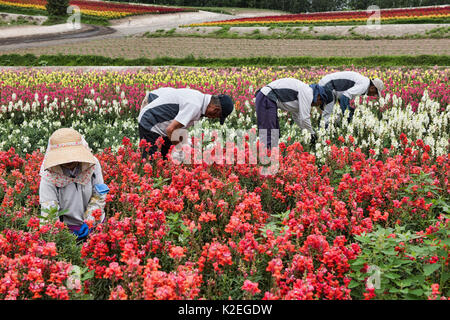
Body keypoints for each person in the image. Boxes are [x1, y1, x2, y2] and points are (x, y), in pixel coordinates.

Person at [39, 128, 109, 241]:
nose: (69, 161)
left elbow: (99, 195)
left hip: (94, 224)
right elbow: (49, 209)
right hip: (66, 229)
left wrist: (91, 221)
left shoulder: (93, 165)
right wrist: (59, 236)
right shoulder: (48, 174)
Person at [138, 87, 234, 159]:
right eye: (216, 116)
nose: (212, 118)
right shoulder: (195, 105)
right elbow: (171, 130)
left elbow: (177, 128)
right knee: (151, 160)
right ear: (215, 109)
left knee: (164, 159)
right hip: (150, 122)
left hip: (159, 119)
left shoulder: (199, 101)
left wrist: (186, 144)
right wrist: (180, 149)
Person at [255, 78, 333, 149]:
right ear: (319, 96)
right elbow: (304, 118)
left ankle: (270, 158)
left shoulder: (304, 94)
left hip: (268, 99)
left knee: (275, 133)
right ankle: (265, 159)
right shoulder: (307, 92)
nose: (316, 106)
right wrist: (312, 134)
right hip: (266, 97)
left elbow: (297, 118)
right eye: (319, 104)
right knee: (269, 133)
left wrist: (306, 133)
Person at [318, 71, 385, 126]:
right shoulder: (364, 85)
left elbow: (343, 96)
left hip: (329, 85)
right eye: (375, 93)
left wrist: (350, 111)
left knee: (332, 115)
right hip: (328, 85)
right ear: (372, 88)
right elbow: (345, 97)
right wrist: (348, 117)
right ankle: (320, 136)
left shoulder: (364, 82)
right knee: (327, 116)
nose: (373, 95)